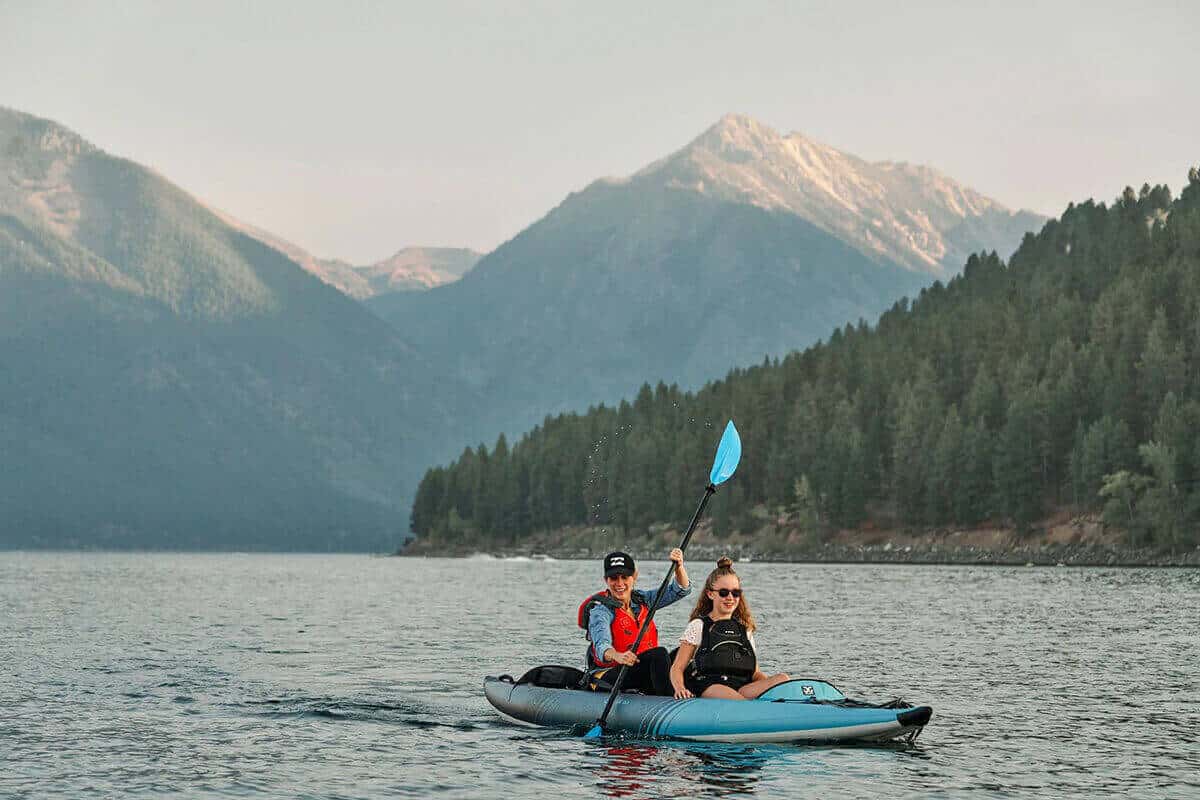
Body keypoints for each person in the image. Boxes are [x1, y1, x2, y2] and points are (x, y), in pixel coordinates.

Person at [669, 556, 790, 700]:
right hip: (711, 686)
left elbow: (755, 673)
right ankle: (751, 710)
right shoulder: (698, 626)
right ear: (710, 594)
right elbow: (677, 667)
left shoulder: (745, 629)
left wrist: (772, 689)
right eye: (724, 593)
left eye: (736, 593)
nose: (730, 598)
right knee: (736, 699)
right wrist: (680, 689)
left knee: (782, 679)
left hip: (742, 687)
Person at [577, 549, 690, 696]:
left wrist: (679, 567)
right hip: (610, 675)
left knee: (683, 653)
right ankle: (668, 702)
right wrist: (617, 655)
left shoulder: (644, 599)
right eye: (613, 578)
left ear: (634, 577)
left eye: (625, 577)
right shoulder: (600, 611)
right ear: (606, 580)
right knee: (659, 654)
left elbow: (680, 590)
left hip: (639, 669)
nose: (619, 583)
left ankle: (686, 694)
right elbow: (601, 645)